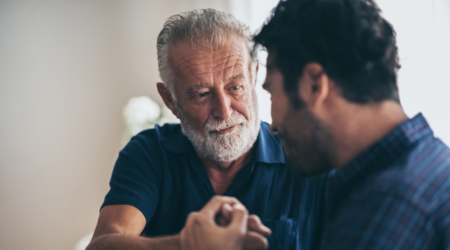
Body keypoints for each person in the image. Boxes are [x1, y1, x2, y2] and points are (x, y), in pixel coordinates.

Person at [180, 0, 450, 249]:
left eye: (272, 92)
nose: (273, 126)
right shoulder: (434, 163)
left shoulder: (385, 209)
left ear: (314, 85)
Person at [87, 9, 330, 250]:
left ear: (254, 76)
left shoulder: (308, 157)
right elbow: (102, 244)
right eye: (202, 94)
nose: (224, 111)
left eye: (235, 87)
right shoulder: (149, 153)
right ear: (170, 100)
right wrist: (188, 245)